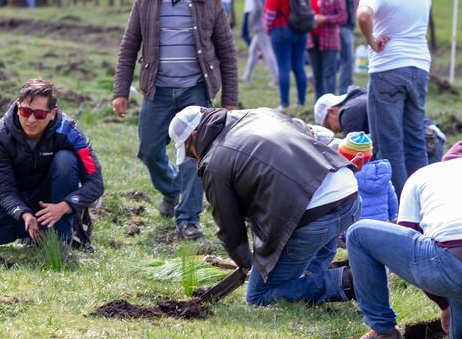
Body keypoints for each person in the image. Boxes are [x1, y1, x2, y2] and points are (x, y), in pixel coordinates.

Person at [169, 106, 360, 306]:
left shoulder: (213, 164)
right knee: (315, 251)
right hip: (349, 193)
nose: (194, 159)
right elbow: (307, 133)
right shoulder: (259, 113)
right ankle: (307, 285)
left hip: (314, 217)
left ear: (195, 135)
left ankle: (349, 282)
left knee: (258, 296)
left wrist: (246, 264)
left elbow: (230, 227)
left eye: (190, 153)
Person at [112, 0, 238, 240]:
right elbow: (129, 46)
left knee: (193, 156)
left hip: (195, 89)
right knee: (148, 150)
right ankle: (173, 190)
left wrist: (230, 100)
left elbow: (227, 52)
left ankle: (188, 218)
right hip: (157, 89)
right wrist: (120, 91)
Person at [339, 141, 462, 339]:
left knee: (358, 233)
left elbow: (409, 237)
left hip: (450, 267)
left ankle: (383, 334)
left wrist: (444, 306)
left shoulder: (426, 174)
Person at [0, 78, 104, 248]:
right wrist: (23, 213)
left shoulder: (72, 134)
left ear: (52, 113)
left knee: (65, 159)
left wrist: (65, 206)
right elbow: (5, 188)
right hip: (19, 195)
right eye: (26, 112)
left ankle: (62, 237)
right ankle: (34, 232)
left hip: (56, 195)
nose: (31, 120)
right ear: (18, 108)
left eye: (39, 114)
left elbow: (96, 183)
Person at [357, 0, 432, 195]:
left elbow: (364, 16)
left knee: (389, 144)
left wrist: (371, 41)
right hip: (419, 67)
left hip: (388, 68)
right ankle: (423, 202)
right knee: (415, 141)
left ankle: (400, 208)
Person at [315, 89, 446, 164]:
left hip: (424, 143)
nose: (336, 131)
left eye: (329, 126)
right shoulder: (361, 98)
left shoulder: (349, 111)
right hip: (431, 137)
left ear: (332, 111)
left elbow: (351, 157)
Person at [264, 0, 311, 108]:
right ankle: (301, 103)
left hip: (281, 32)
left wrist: (267, 30)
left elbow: (269, 14)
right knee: (299, 67)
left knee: (283, 68)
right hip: (301, 32)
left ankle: (284, 104)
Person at [306, 0, 346, 102]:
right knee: (317, 74)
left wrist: (326, 18)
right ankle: (319, 105)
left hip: (329, 40)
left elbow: (342, 16)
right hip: (311, 39)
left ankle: (331, 105)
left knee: (329, 74)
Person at [336, 132, 397, 222]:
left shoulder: (346, 178)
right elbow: (393, 202)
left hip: (356, 228)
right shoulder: (382, 176)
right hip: (383, 225)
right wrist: (393, 217)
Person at [241, 0, 277, 85]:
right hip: (267, 19)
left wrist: (251, 20)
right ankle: (246, 76)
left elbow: (257, 6)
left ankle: (276, 77)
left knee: (267, 51)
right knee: (253, 50)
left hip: (259, 22)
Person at [328, 0, 359, 94]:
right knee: (348, 60)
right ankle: (344, 91)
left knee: (342, 59)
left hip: (345, 26)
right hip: (342, 27)